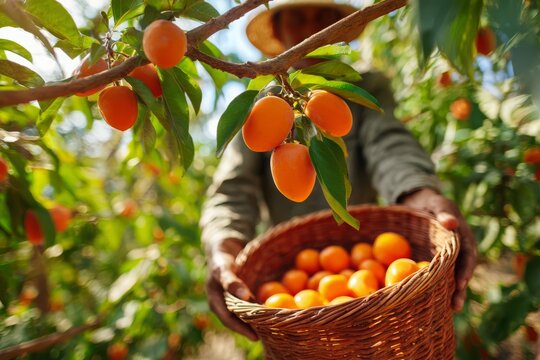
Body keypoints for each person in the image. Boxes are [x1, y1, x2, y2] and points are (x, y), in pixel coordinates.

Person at [200, 0, 477, 341]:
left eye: (323, 18)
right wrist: (222, 246)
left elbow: (388, 144)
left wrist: (420, 192)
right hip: (291, 282)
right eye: (298, 18)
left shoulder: (362, 87)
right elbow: (232, 188)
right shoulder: (261, 106)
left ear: (339, 28)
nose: (311, 29)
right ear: (277, 30)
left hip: (369, 275)